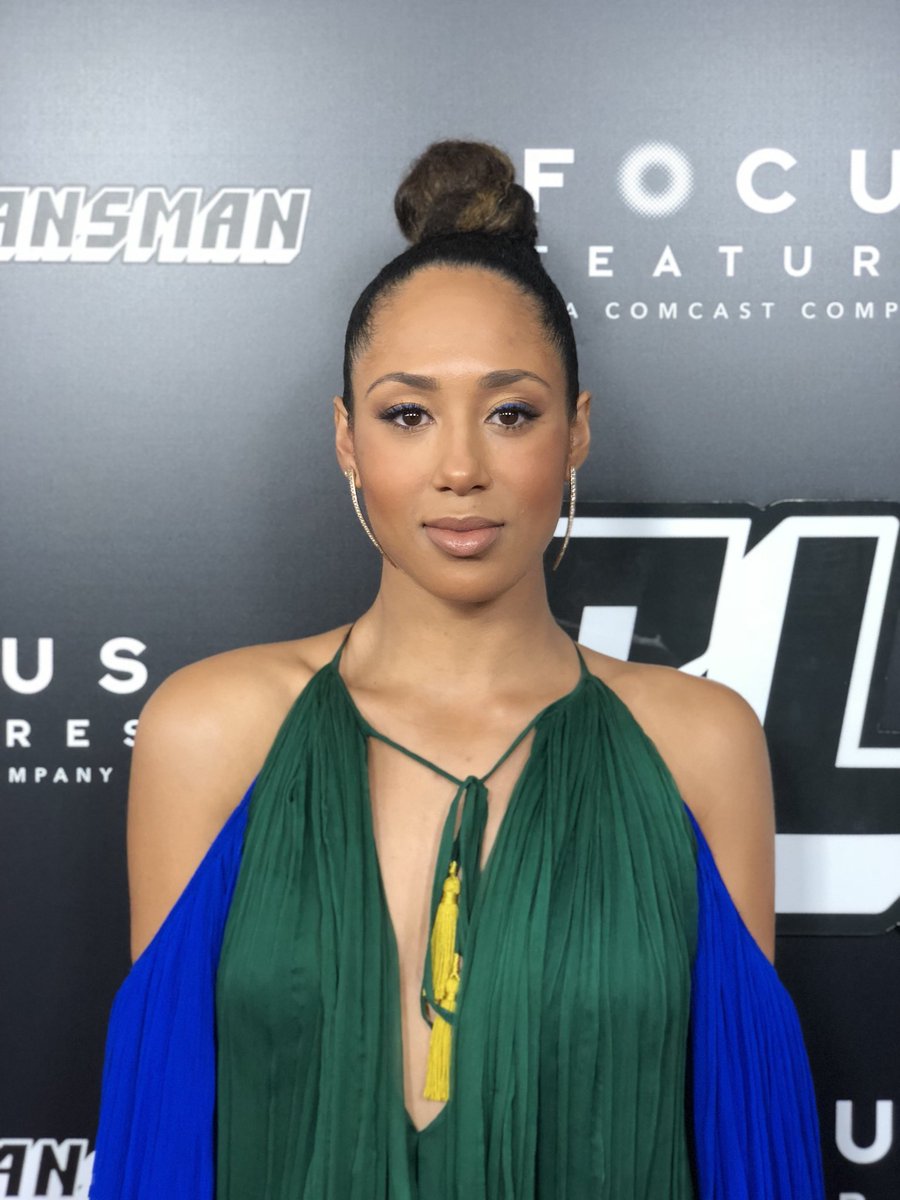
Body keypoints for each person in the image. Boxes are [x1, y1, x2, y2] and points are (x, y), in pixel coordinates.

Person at [89, 140, 825, 1198]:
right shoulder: (209, 732)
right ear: (347, 439)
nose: (462, 468)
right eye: (408, 414)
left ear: (576, 432)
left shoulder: (699, 743)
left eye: (511, 413)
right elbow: (158, 1151)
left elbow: (751, 1156)